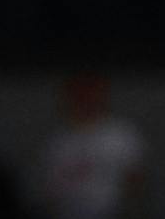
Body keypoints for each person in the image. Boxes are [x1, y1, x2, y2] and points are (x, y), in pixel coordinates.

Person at [37, 73, 145, 219]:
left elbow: (135, 183)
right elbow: (50, 189)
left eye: (90, 91)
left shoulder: (121, 134)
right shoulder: (58, 141)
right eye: (79, 92)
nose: (85, 98)